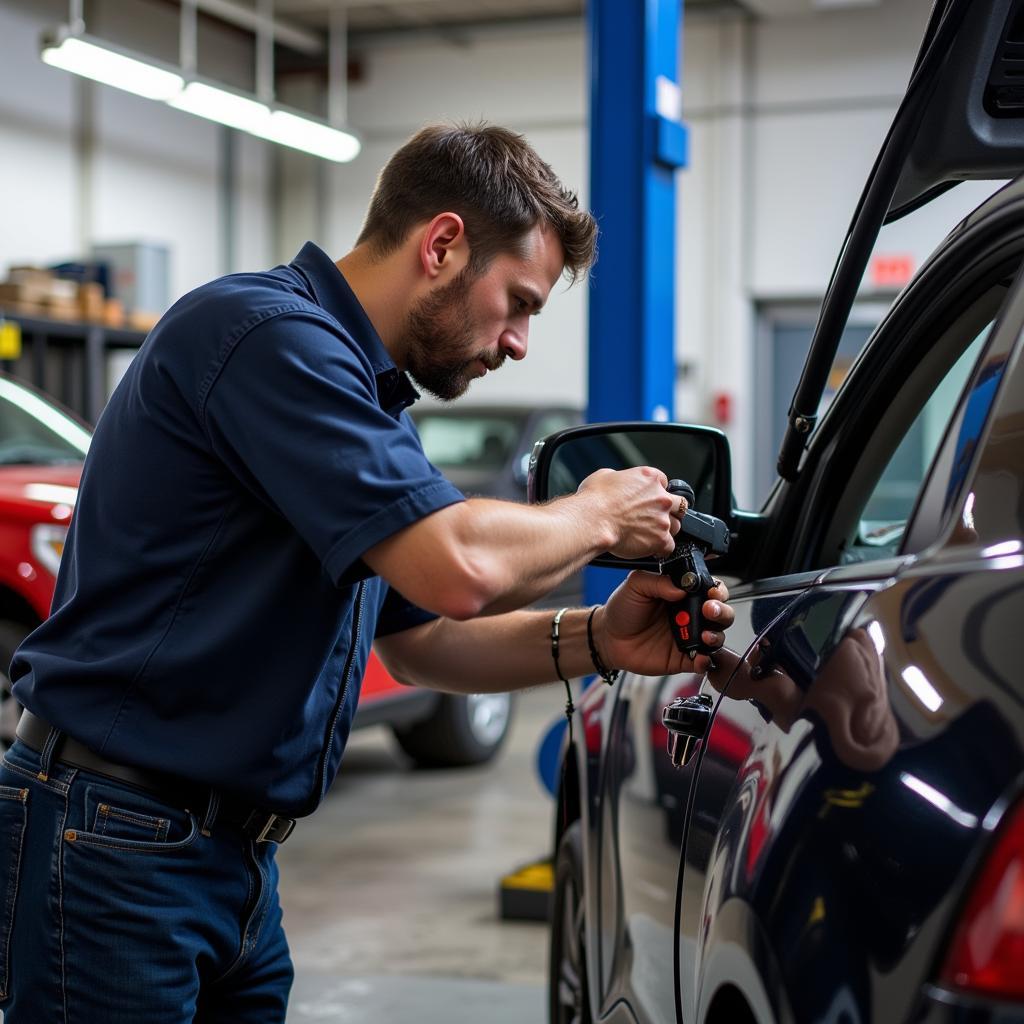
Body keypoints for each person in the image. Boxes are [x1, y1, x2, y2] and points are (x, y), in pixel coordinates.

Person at [0, 122, 733, 1022]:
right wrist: (601, 512)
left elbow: (422, 642)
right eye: (519, 302)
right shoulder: (265, 337)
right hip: (118, 838)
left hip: (227, 860)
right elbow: (457, 567)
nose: (518, 343)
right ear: (442, 245)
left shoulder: (359, 394)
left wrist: (600, 637)